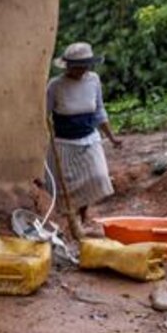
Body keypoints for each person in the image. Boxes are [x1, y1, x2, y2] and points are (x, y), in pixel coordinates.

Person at [46, 41, 121, 225]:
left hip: (89, 137)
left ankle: (84, 214)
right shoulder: (56, 85)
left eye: (83, 66)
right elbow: (45, 113)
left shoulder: (93, 80)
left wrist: (111, 138)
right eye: (76, 67)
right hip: (64, 141)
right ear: (68, 66)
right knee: (64, 183)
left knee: (97, 176)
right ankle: (69, 220)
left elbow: (99, 111)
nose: (80, 71)